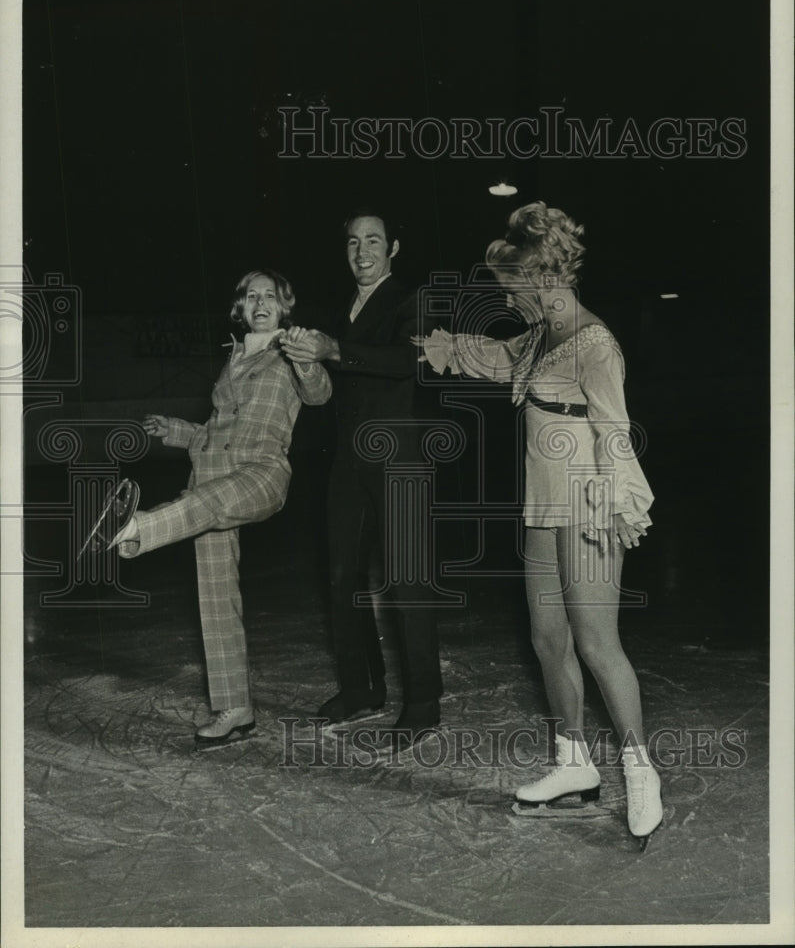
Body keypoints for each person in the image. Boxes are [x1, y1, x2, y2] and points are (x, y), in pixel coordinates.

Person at [416, 201, 663, 847]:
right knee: (547, 638)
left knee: (594, 642)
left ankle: (640, 774)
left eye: (510, 287)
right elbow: (499, 357)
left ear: (542, 278)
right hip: (541, 505)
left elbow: (613, 431)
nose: (506, 297)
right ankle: (572, 762)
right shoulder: (535, 337)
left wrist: (615, 507)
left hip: (585, 501)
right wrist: (435, 347)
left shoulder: (595, 345)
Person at [81, 270, 331, 747]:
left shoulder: (292, 353)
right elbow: (216, 431)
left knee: (207, 502)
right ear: (240, 308)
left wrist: (306, 356)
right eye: (251, 296)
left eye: (270, 296)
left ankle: (134, 527)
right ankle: (235, 709)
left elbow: (319, 392)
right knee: (216, 596)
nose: (260, 303)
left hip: (261, 474)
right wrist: (175, 430)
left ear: (284, 306)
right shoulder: (233, 357)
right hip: (212, 471)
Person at [280, 207, 443, 750]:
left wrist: (334, 349)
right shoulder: (344, 305)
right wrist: (309, 357)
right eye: (353, 242)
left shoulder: (410, 298)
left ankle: (422, 702)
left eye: (373, 240)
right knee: (341, 573)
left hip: (400, 461)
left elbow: (407, 362)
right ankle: (361, 688)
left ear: (393, 248)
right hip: (348, 459)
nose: (362, 251)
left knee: (407, 582)